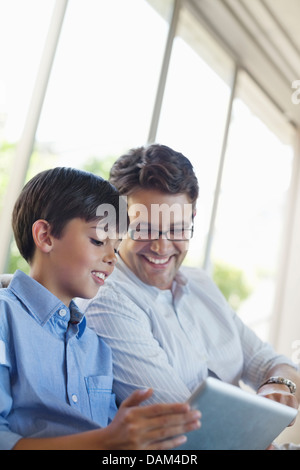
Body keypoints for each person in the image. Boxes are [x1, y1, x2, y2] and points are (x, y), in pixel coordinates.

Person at [79, 144, 300, 412]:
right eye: (144, 229)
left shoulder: (200, 283)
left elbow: (268, 362)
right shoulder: (107, 301)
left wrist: (279, 384)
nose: (162, 247)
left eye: (177, 229)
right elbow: (184, 424)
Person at [0, 167, 201, 450]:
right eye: (98, 241)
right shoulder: (5, 318)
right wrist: (104, 442)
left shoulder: (95, 347)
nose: (111, 258)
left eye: (116, 247)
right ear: (45, 236)